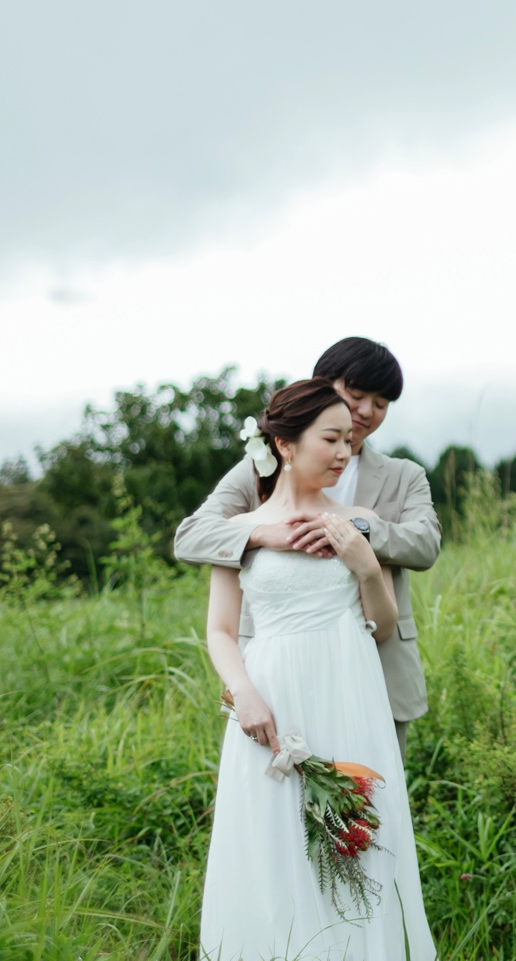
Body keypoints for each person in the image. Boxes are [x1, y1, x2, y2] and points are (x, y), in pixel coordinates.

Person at [198, 379, 436, 956]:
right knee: (274, 840)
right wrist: (244, 694)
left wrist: (365, 564)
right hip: (272, 694)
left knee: (358, 835)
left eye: (348, 441)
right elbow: (221, 631)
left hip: (350, 692)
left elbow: (379, 626)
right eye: (330, 438)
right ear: (284, 444)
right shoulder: (242, 529)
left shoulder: (355, 519)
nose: (343, 452)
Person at [177, 338, 438, 752]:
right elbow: (191, 535)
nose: (367, 411)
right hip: (275, 673)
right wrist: (265, 534)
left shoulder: (403, 475)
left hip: (378, 669)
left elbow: (425, 544)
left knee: (369, 805)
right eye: (356, 395)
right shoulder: (261, 467)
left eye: (382, 403)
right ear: (320, 387)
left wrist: (350, 530)